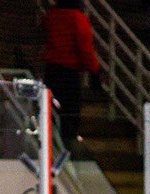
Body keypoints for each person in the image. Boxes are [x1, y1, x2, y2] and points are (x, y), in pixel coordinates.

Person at [43, 0, 101, 151]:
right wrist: (95, 71)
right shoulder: (77, 17)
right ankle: (67, 155)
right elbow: (86, 48)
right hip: (69, 75)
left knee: (51, 118)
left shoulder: (51, 16)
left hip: (51, 71)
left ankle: (51, 153)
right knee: (69, 120)